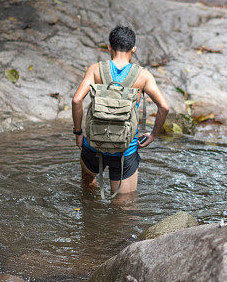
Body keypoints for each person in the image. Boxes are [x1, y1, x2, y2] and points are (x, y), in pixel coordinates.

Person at [71, 25, 169, 195]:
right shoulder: (143, 75)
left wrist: (78, 133)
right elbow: (164, 107)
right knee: (123, 210)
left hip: (94, 145)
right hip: (125, 150)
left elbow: (76, 100)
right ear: (134, 49)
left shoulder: (95, 70)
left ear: (109, 47)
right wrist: (153, 135)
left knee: (87, 194)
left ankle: (91, 219)